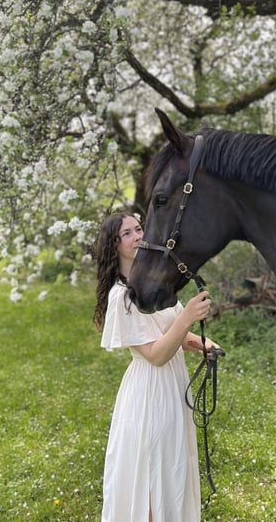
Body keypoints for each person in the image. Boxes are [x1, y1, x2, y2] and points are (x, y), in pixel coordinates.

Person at [93, 212, 220, 522]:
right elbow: (156, 353)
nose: (138, 235)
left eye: (139, 228)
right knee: (151, 475)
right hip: (150, 393)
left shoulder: (154, 282)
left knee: (172, 469)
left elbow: (170, 330)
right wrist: (188, 315)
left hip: (174, 386)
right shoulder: (122, 297)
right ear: (114, 245)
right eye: (128, 233)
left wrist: (201, 344)